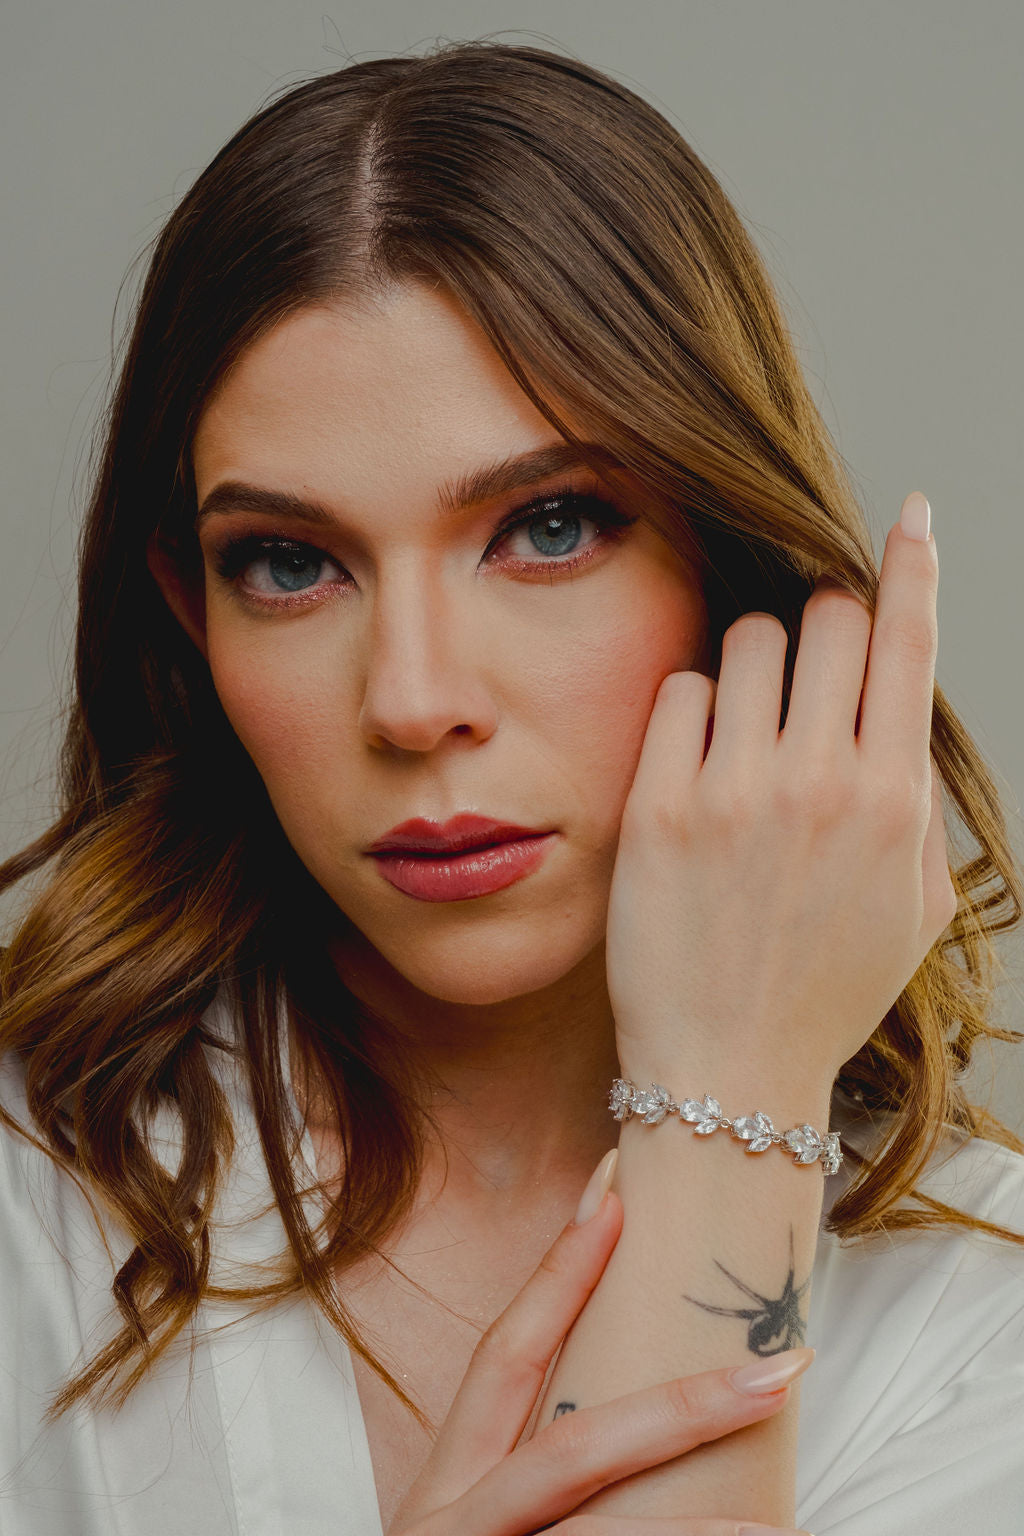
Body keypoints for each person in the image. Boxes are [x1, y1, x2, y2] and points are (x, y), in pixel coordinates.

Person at [1, 37, 1022, 1536]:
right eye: (287, 563)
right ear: (190, 614)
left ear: (731, 570)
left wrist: (730, 1107)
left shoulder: (980, 1322)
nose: (414, 701)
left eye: (548, 529)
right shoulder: (26, 1211)